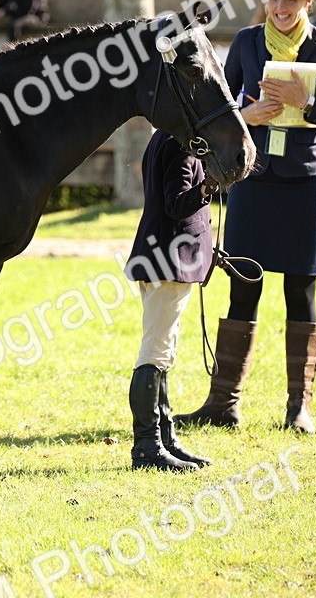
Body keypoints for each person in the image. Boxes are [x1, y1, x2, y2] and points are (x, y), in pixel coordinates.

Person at [175, 0, 316, 435]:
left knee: (300, 291)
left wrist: (309, 104)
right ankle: (223, 404)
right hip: (253, 182)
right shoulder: (245, 42)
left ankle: (298, 408)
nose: (281, 8)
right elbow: (220, 110)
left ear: (306, 1)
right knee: (244, 287)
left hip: (304, 184)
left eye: (291, 0)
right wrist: (248, 116)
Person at [125, 129, 217, 471]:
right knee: (155, 352)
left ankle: (165, 438)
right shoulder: (182, 143)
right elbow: (177, 203)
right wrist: (208, 186)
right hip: (170, 261)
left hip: (163, 257)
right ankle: (147, 447)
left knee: (164, 353)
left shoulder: (164, 135)